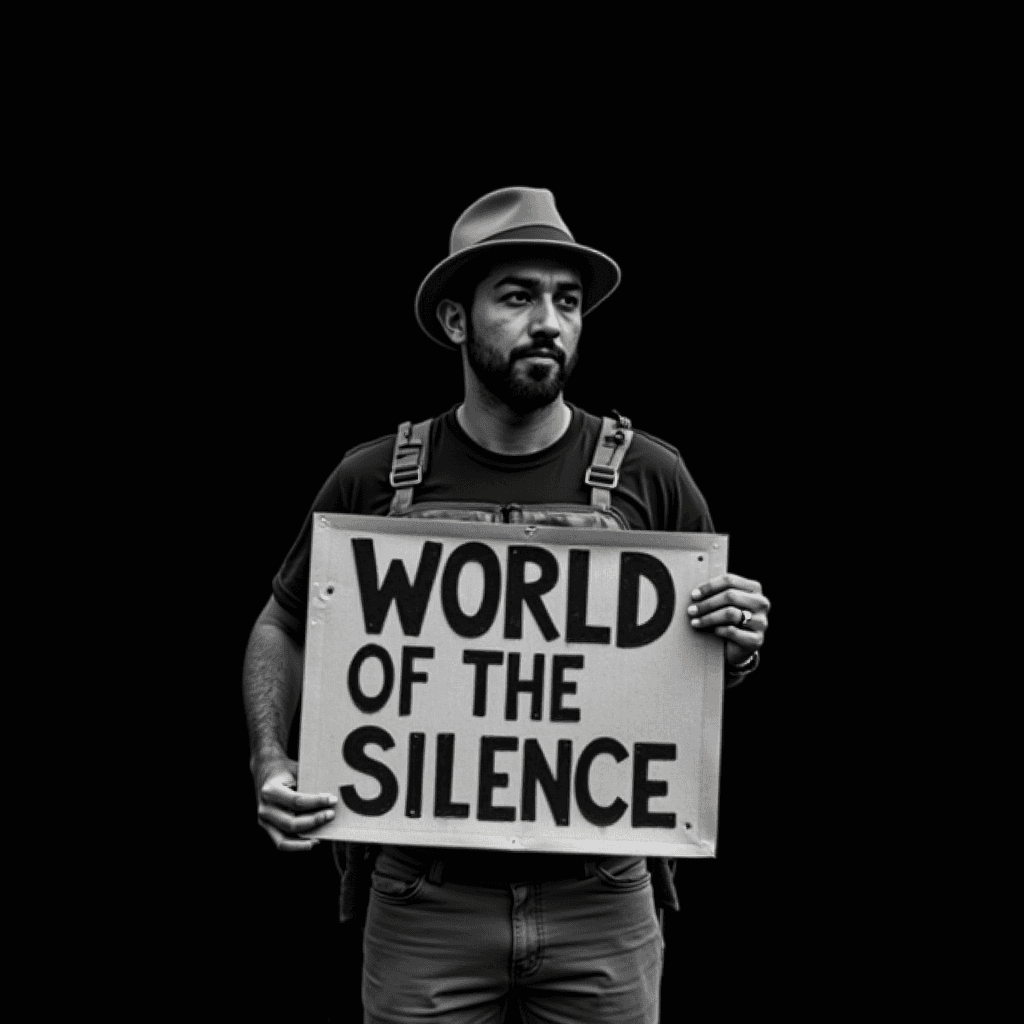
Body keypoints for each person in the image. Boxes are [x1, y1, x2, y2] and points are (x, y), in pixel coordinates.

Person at [242, 186, 771, 1023]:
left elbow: (693, 676)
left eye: (567, 301)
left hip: (603, 900)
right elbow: (284, 623)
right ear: (457, 321)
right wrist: (271, 758)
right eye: (519, 297)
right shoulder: (375, 479)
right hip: (424, 899)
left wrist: (736, 640)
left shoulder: (652, 477)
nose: (549, 322)